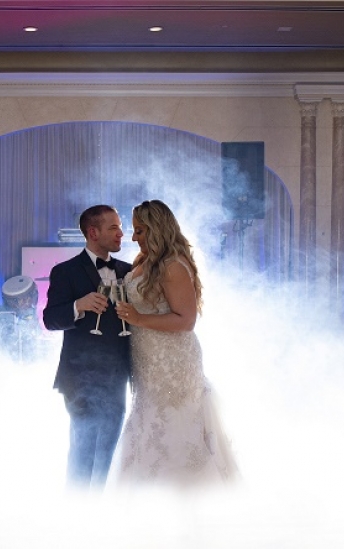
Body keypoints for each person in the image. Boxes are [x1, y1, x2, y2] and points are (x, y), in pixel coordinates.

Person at [112, 200, 237, 487]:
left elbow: (186, 320)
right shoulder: (143, 262)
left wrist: (138, 318)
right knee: (147, 419)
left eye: (140, 231)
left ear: (156, 229)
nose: (134, 237)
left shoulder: (173, 266)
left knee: (175, 421)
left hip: (172, 360)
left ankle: (185, 492)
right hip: (147, 358)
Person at [43, 205, 132, 490]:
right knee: (83, 448)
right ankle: (77, 508)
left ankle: (102, 507)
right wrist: (78, 306)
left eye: (120, 228)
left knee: (111, 449)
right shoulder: (65, 271)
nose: (121, 234)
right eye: (114, 228)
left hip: (117, 376)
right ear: (93, 233)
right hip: (79, 377)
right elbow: (50, 319)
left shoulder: (129, 272)